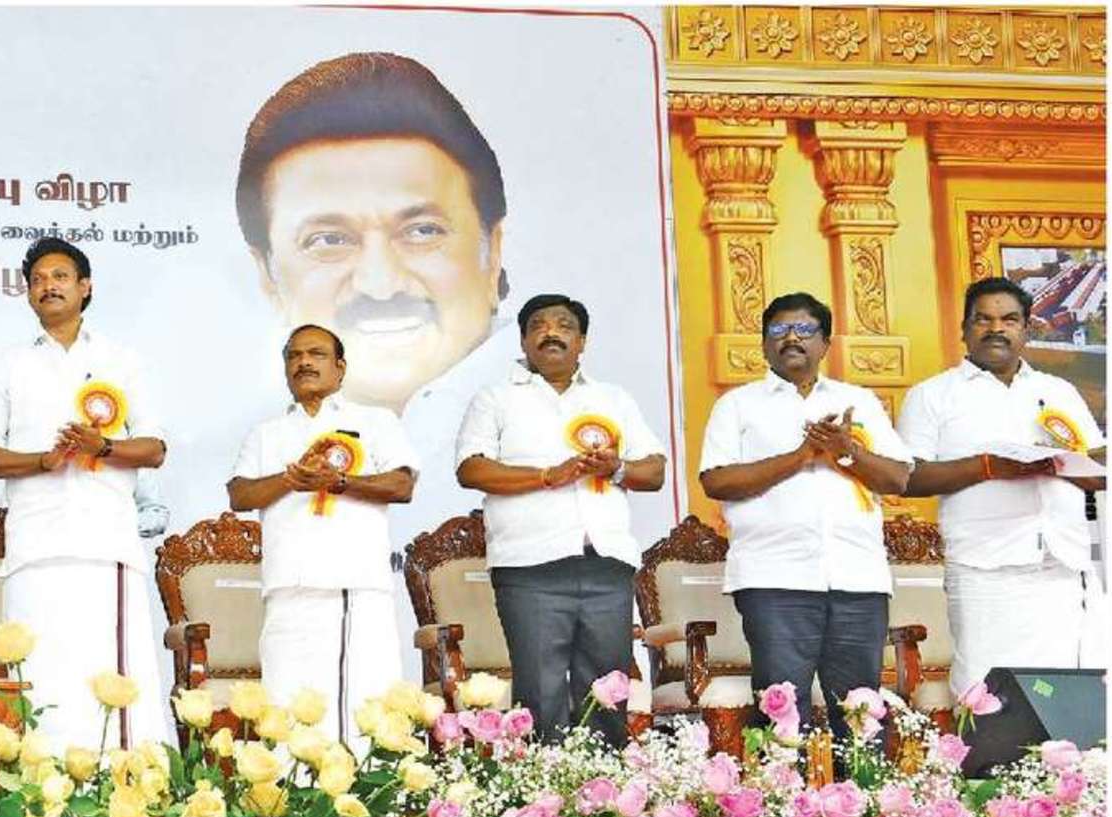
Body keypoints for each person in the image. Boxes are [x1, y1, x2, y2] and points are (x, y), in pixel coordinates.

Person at [0, 237, 173, 746]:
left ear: (85, 287)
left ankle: (128, 784)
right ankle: (47, 785)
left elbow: (154, 449)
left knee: (115, 678)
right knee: (44, 677)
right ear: (28, 295)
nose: (48, 287)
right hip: (35, 548)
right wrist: (43, 461)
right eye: (37, 280)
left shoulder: (120, 360)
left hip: (107, 547)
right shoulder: (7, 364)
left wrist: (103, 447)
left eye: (59, 277)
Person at [236, 51, 510, 417]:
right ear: (268, 278)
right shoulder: (246, 440)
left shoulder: (577, 414)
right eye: (329, 240)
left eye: (422, 231)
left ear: (493, 254)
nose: (380, 285)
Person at [454, 293, 668, 742]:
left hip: (605, 564)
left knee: (607, 690)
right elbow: (471, 469)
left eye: (564, 325)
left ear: (582, 341)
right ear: (523, 341)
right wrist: (548, 475)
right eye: (538, 325)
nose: (551, 332)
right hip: (530, 568)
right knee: (540, 692)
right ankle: (545, 784)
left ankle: (604, 784)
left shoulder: (613, 398)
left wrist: (617, 468)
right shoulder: (495, 398)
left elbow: (654, 471)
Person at [698, 292, 912, 738]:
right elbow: (717, 481)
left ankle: (858, 787)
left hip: (857, 578)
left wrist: (846, 451)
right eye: (778, 330)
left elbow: (897, 478)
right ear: (764, 344)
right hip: (774, 578)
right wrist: (801, 456)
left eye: (805, 329)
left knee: (859, 716)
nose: (791, 337)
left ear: (826, 343)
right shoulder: (737, 405)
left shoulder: (860, 401)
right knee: (782, 715)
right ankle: (782, 786)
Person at [901, 278, 1108, 688]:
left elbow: (1096, 465)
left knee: (1059, 692)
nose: (996, 328)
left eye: (1009, 319)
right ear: (964, 329)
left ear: (1026, 329)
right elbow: (908, 477)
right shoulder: (932, 395)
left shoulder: (1059, 391)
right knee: (986, 693)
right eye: (983, 319)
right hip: (984, 569)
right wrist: (989, 466)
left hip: (1060, 566)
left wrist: (1058, 462)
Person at [228, 324, 419, 747]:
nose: (304, 363)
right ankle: (290, 789)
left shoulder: (375, 421)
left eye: (316, 354)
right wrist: (291, 480)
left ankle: (361, 788)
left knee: (363, 706)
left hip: (354, 586)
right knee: (286, 705)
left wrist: (340, 482)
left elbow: (401, 485)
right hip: (287, 588)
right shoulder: (266, 433)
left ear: (340, 368)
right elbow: (240, 495)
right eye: (294, 356)